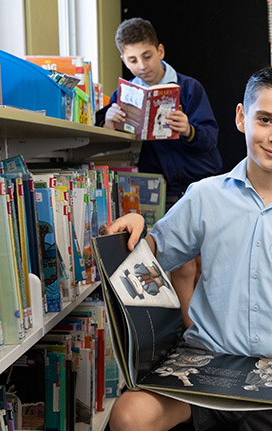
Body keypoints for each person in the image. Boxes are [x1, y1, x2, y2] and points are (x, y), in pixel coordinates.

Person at [104, 65, 272, 431]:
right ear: (242, 117)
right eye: (265, 119)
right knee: (129, 416)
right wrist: (137, 230)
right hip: (203, 366)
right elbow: (153, 253)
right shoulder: (205, 196)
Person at [95, 17, 221, 328]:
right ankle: (182, 326)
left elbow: (210, 138)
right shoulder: (124, 96)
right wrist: (108, 124)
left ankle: (198, 323)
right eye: (132, 59)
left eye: (147, 56)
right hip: (157, 187)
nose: (141, 66)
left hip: (195, 182)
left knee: (200, 258)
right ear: (124, 59)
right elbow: (106, 144)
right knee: (173, 257)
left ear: (160, 50)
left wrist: (188, 129)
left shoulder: (189, 89)